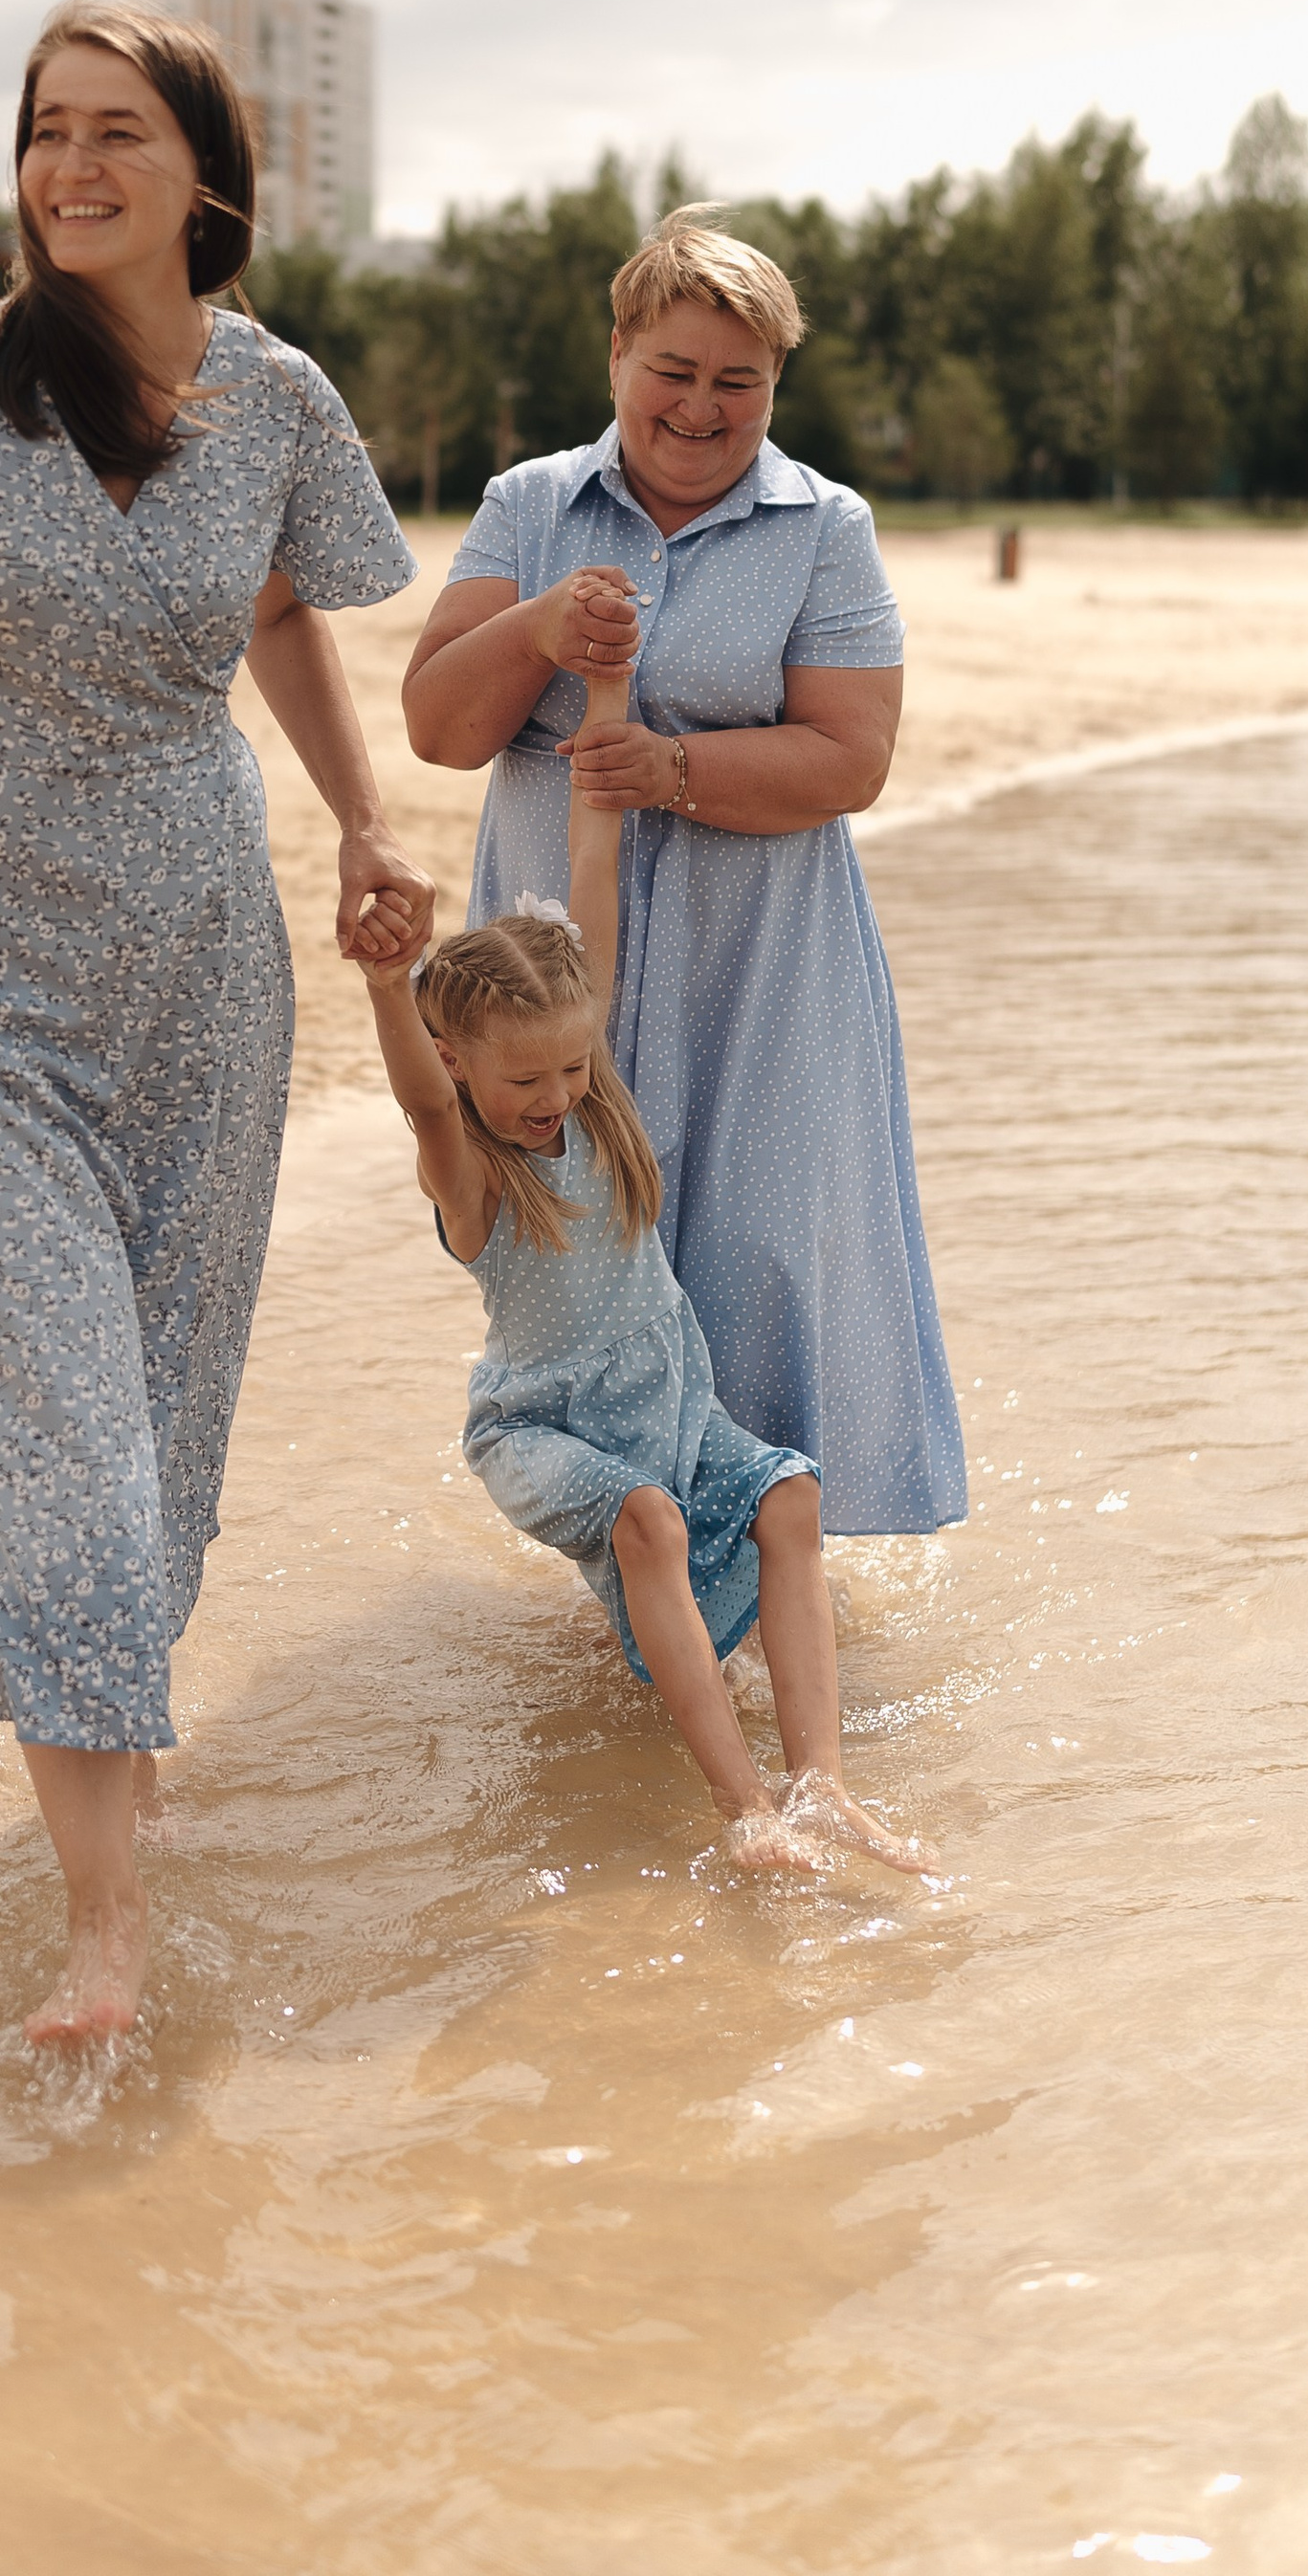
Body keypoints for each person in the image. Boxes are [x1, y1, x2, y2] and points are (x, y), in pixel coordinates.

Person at [0, 0, 431, 2048]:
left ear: (202, 175)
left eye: (113, 133)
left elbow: (277, 619)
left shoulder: (275, 399)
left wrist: (359, 820)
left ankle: (104, 1800)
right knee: (57, 1421)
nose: (68, 165)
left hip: (201, 991)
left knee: (155, 1437)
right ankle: (102, 1934)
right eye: (46, 130)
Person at [402, 208, 965, 1538]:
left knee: (765, 1261)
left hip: (762, 965)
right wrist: (540, 624)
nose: (703, 407)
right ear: (619, 357)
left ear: (774, 385)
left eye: (739, 382)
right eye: (677, 371)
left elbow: (854, 757)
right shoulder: (528, 507)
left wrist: (674, 773)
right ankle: (636, 1581)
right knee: (580, 1267)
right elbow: (438, 728)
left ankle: (775, 1587)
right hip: (553, 984)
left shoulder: (826, 528)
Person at [359, 656, 927, 1875]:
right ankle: (743, 1812)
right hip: (546, 1420)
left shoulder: (586, 1094)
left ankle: (820, 1785)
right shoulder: (473, 1169)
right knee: (648, 1519)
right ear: (457, 1061)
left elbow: (591, 873)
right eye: (524, 1081)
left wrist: (607, 689)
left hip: (665, 1391)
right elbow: (415, 1106)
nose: (556, 1098)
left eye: (570, 1069)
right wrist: (377, 978)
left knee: (790, 1496)